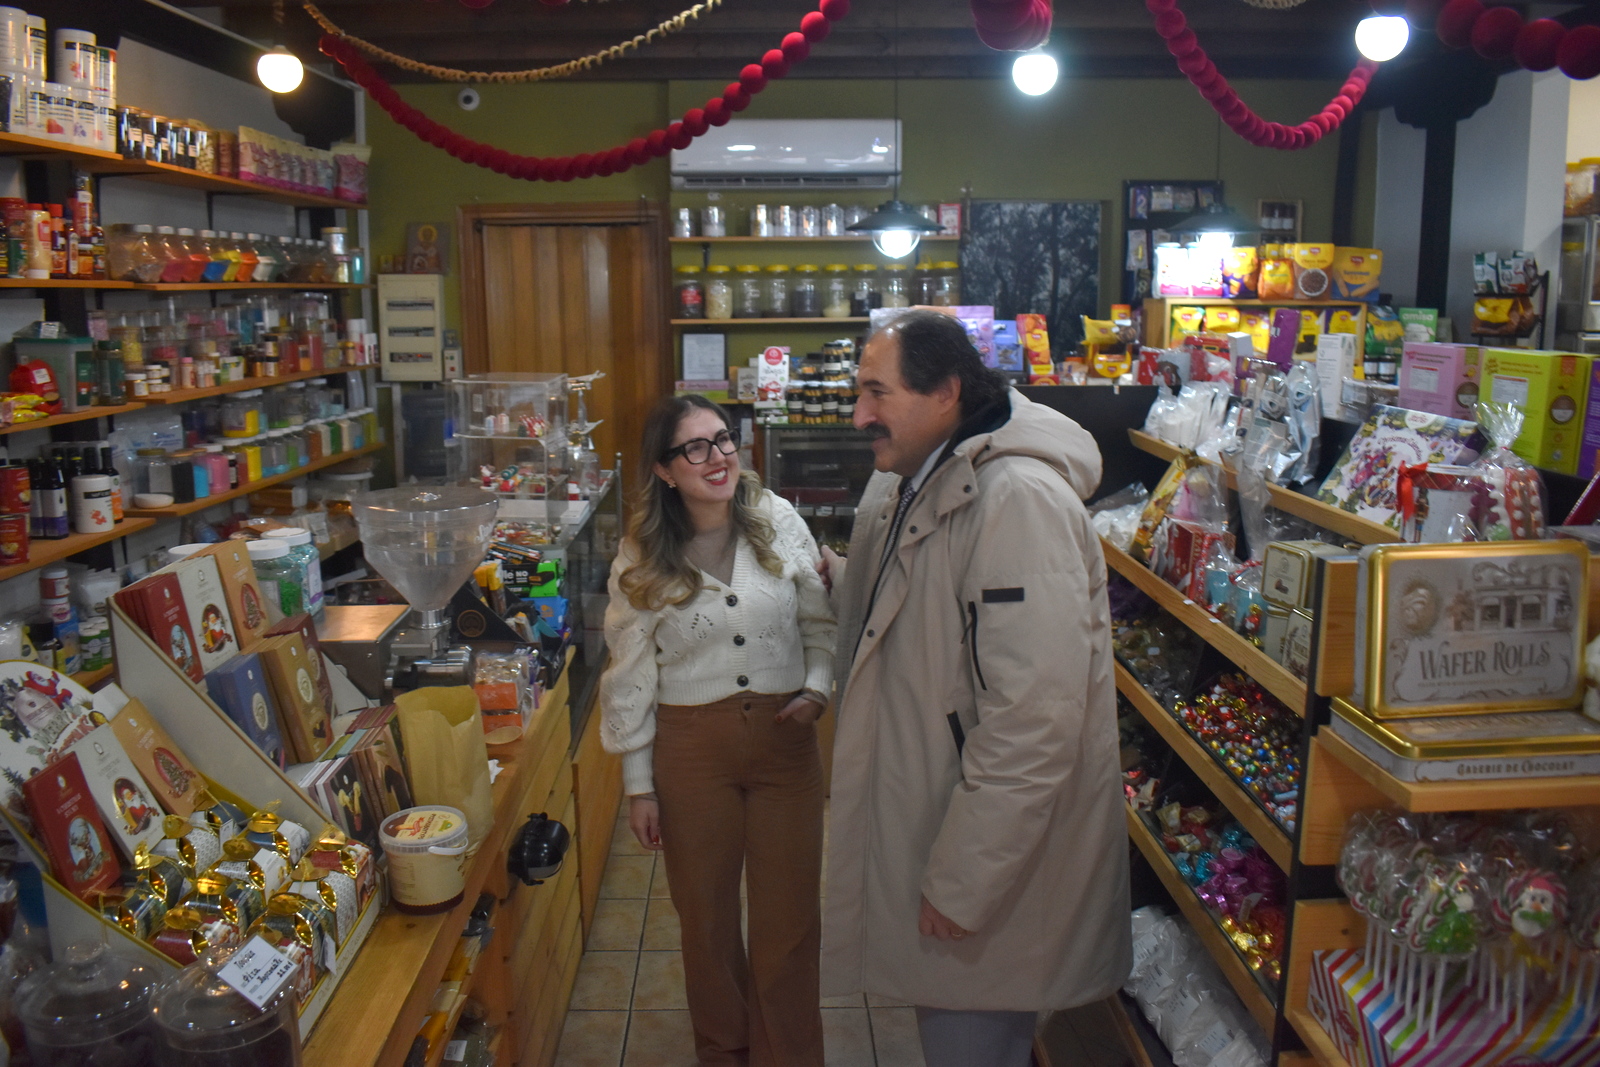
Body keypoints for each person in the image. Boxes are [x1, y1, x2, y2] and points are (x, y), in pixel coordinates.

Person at [818, 310, 1131, 1067]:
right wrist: (837, 581)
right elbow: (926, 602)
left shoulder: (1018, 501)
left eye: (877, 393)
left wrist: (964, 881)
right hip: (939, 823)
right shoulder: (919, 472)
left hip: (990, 871)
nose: (859, 415)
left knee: (974, 1043)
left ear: (946, 392)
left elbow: (1035, 718)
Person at [600, 394, 835, 1067]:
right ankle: (724, 1050)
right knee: (705, 921)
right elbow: (630, 674)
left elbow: (819, 622)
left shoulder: (776, 520)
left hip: (785, 747)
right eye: (695, 447)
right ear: (664, 469)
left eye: (723, 439)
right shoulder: (641, 554)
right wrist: (639, 785)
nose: (718, 456)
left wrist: (817, 687)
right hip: (690, 753)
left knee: (790, 922)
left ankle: (789, 1056)